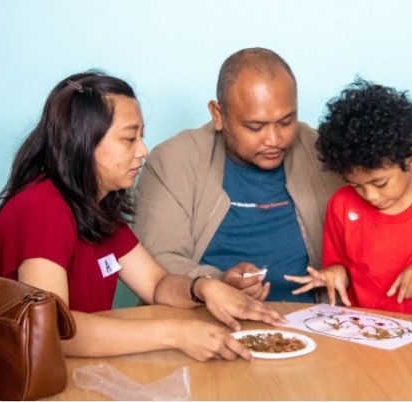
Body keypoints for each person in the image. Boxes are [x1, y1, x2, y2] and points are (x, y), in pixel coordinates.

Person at [0, 71, 285, 362]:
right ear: (83, 142)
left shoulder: (96, 205)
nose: (142, 150)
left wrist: (203, 287)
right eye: (129, 138)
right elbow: (54, 329)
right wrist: (176, 333)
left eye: (141, 136)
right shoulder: (42, 210)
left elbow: (156, 285)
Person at [133, 48, 343, 303]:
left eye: (286, 122)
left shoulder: (324, 153)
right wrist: (218, 283)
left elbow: (382, 212)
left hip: (311, 326)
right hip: (205, 325)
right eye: (255, 127)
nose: (274, 139)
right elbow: (155, 263)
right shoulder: (174, 161)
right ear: (218, 115)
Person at [284, 79, 412, 320]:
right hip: (362, 330)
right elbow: (341, 267)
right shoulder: (341, 204)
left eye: (380, 183)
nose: (370, 196)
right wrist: (334, 274)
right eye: (356, 185)